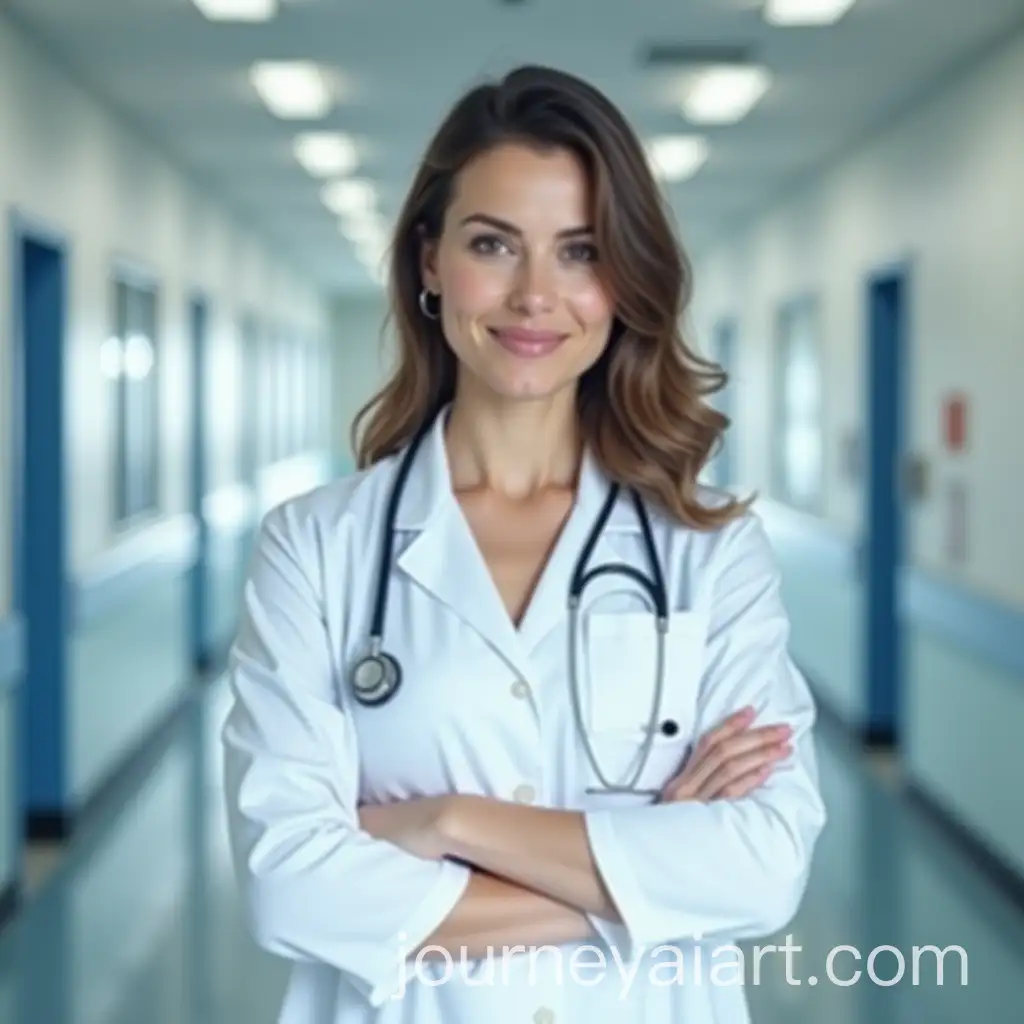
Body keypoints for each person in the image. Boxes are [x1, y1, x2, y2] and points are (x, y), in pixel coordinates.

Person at [221, 64, 826, 1024]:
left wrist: (441, 823)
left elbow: (762, 869)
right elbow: (290, 885)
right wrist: (645, 865)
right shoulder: (317, 549)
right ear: (429, 261)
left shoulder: (708, 550)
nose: (535, 295)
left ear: (625, 279)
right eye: (494, 244)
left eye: (581, 251)